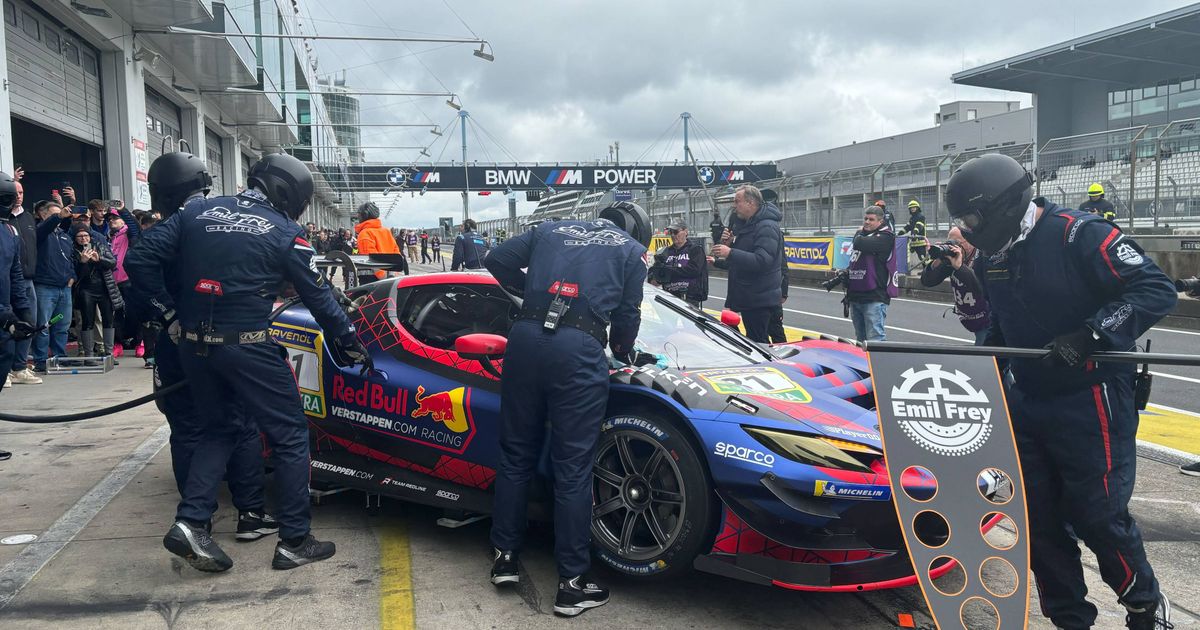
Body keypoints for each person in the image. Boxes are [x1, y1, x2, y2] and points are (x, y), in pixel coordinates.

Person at [947, 152, 1175, 630]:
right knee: (1038, 521)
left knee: (1097, 516)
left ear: (1003, 205)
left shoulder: (1080, 233)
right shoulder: (994, 257)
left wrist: (1090, 335)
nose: (967, 229)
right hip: (1028, 401)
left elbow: (1155, 289)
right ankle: (1070, 619)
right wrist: (979, 374)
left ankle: (1144, 607)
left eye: (971, 218)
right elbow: (1001, 332)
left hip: (1092, 398)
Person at [127, 152, 369, 573]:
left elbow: (138, 260)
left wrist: (167, 314)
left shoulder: (199, 210)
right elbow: (320, 299)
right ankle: (295, 540)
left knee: (217, 429)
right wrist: (349, 342)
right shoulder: (286, 232)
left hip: (194, 345)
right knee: (291, 435)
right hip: (248, 345)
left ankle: (191, 523)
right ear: (288, 192)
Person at [485, 202, 649, 618]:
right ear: (637, 229)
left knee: (515, 454)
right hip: (578, 349)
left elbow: (495, 259)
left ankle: (504, 557)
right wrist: (622, 351)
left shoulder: (551, 227)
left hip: (524, 338)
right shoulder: (630, 250)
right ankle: (572, 585)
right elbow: (628, 316)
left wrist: (531, 294)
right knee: (573, 468)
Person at [710, 184, 784, 342]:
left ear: (751, 203)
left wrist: (730, 252)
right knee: (756, 341)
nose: (734, 206)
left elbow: (762, 260)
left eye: (737, 202)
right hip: (751, 297)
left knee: (759, 344)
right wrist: (729, 243)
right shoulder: (748, 224)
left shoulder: (766, 226)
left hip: (759, 299)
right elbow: (743, 257)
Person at [1, 169, 35, 428]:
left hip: (5, 315)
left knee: (4, 362)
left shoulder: (9, 232)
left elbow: (16, 276)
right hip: (3, 314)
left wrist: (23, 313)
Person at [919, 227, 989, 344]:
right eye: (950, 242)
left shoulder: (984, 255)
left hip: (988, 320)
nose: (953, 246)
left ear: (970, 241)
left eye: (957, 242)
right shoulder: (951, 259)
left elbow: (979, 287)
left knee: (984, 356)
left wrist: (960, 267)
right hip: (971, 319)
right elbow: (927, 281)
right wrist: (938, 260)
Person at [30, 201, 75, 373]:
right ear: (44, 215)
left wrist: (72, 276)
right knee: (43, 326)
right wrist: (58, 217)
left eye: (62, 213)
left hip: (64, 288)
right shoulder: (39, 232)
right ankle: (41, 360)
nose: (61, 215)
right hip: (45, 288)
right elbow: (45, 228)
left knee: (62, 326)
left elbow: (70, 259)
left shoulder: (64, 235)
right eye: (55, 213)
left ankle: (59, 357)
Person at [69, 225, 123, 359]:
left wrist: (99, 259)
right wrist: (82, 262)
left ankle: (109, 353)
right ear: (75, 238)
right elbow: (75, 274)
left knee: (108, 319)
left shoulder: (99, 245)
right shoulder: (73, 250)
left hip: (104, 287)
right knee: (87, 320)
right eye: (80, 236)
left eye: (86, 236)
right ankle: (89, 354)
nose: (83, 239)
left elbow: (112, 263)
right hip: (86, 289)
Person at [845, 206, 896, 342]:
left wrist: (858, 233)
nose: (867, 222)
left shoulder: (886, 236)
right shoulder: (865, 234)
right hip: (856, 296)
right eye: (865, 219)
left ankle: (879, 364)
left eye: (871, 219)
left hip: (874, 296)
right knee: (860, 340)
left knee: (875, 339)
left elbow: (859, 243)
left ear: (880, 222)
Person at [7, 179, 41, 384]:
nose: (19, 195)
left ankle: (20, 367)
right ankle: (6, 369)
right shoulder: (5, 220)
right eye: (14, 192)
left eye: (21, 191)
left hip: (27, 280)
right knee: (8, 326)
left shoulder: (28, 218)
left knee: (29, 324)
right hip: (6, 281)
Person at [649, 219, 707, 307]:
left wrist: (670, 270)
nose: (673, 235)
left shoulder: (695, 250)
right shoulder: (665, 251)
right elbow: (656, 274)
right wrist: (655, 272)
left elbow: (694, 270)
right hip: (669, 296)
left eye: (676, 232)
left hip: (689, 297)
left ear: (686, 232)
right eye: (671, 232)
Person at [353, 202, 402, 284]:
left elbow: (371, 259)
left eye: (359, 214)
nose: (357, 216)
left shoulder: (365, 233)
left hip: (372, 280)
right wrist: (392, 275)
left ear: (364, 215)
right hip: (390, 277)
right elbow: (396, 253)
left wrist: (383, 277)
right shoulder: (386, 231)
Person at [767, 232, 790, 344]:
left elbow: (783, 264)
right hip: (757, 291)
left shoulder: (774, 233)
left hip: (773, 291)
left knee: (776, 330)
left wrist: (784, 292)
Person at [897, 199, 929, 267]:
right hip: (914, 242)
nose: (912, 209)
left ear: (917, 208)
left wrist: (915, 232)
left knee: (923, 258)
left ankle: (927, 271)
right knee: (909, 255)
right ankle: (909, 269)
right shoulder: (912, 218)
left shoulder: (921, 217)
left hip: (920, 242)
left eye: (914, 207)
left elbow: (919, 226)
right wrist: (898, 234)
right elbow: (907, 227)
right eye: (911, 208)